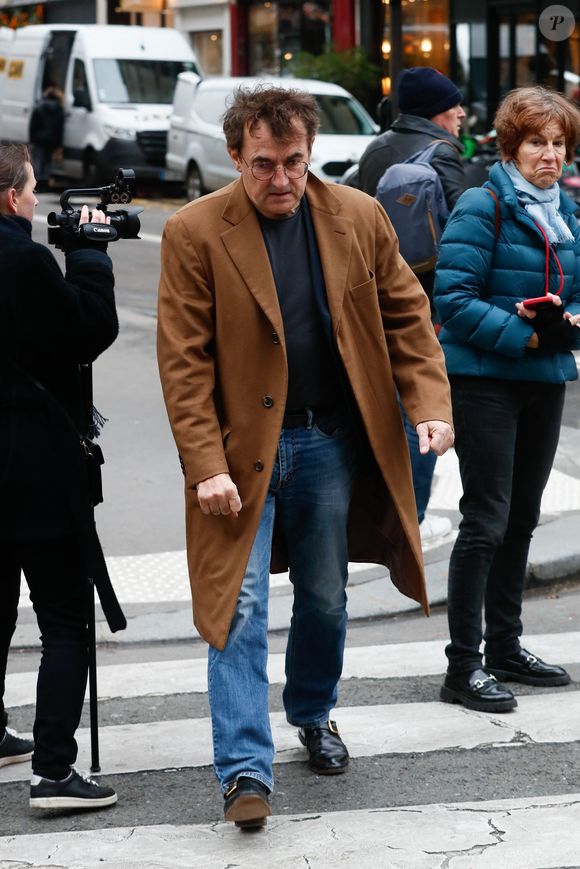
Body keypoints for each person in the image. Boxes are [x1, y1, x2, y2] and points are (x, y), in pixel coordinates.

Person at [157, 85, 454, 829]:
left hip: (329, 440)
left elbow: (407, 314)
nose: (281, 178)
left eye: (293, 161)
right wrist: (204, 465)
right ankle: (245, 770)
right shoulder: (195, 231)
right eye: (263, 164)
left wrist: (430, 406)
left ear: (310, 152)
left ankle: (314, 712)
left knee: (325, 594)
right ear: (234, 156)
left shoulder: (357, 216)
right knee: (241, 602)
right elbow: (183, 360)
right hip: (238, 452)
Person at [434, 87, 580, 713]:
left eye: (557, 144)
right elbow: (452, 300)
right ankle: (463, 666)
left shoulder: (567, 213)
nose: (548, 156)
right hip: (485, 382)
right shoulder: (482, 203)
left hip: (542, 380)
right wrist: (522, 331)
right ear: (510, 145)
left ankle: (505, 648)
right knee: (486, 521)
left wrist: (566, 322)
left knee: (522, 518)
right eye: (535, 143)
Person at [0, 143, 120, 810]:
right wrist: (92, 256)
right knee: (65, 620)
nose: (37, 201)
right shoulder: (22, 258)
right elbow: (85, 330)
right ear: (11, 196)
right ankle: (53, 770)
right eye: (32, 190)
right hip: (35, 464)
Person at [359, 67, 468, 545]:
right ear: (436, 112)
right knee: (419, 414)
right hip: (425, 303)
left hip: (370, 298)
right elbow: (464, 235)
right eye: (453, 106)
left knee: (378, 411)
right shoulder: (443, 154)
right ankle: (413, 520)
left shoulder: (375, 149)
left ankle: (380, 513)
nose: (462, 114)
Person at [28, 85, 64, 193]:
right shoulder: (59, 109)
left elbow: (33, 125)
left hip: (39, 138)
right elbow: (59, 128)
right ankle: (45, 182)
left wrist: (32, 139)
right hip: (51, 140)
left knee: (38, 161)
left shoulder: (39, 107)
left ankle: (37, 182)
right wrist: (58, 144)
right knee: (47, 162)